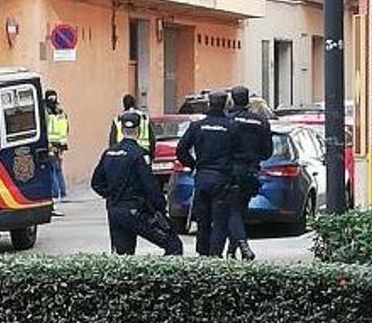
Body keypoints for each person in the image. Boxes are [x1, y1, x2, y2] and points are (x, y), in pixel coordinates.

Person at [92, 112, 183, 256]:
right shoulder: (139, 155)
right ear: (139, 130)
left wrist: (111, 196)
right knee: (173, 245)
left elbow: (96, 183)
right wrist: (160, 207)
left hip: (114, 210)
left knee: (123, 255)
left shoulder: (109, 153)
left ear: (121, 130)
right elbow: (150, 186)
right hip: (135, 210)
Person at [176, 91, 233, 257]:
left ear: (209, 104)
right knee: (220, 219)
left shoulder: (197, 126)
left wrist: (192, 165)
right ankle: (215, 255)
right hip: (222, 178)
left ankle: (202, 254)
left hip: (202, 177)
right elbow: (238, 152)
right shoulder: (231, 126)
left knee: (203, 219)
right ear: (225, 105)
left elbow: (181, 150)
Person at [225, 86, 273, 261]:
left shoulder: (228, 121)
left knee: (233, 211)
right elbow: (267, 151)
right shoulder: (261, 121)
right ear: (247, 101)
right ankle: (232, 250)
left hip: (231, 172)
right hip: (252, 172)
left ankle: (244, 247)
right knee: (239, 210)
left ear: (232, 99)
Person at [110, 94, 157, 162]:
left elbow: (112, 141)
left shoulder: (118, 120)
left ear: (124, 105)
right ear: (134, 103)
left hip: (122, 156)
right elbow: (152, 139)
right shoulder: (144, 118)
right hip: (143, 155)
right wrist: (151, 155)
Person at [45, 90, 70, 207]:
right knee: (58, 170)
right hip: (60, 145)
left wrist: (50, 146)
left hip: (50, 145)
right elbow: (66, 129)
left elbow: (45, 130)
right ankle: (63, 193)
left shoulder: (46, 112)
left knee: (52, 170)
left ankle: (55, 194)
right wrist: (62, 147)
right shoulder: (61, 112)